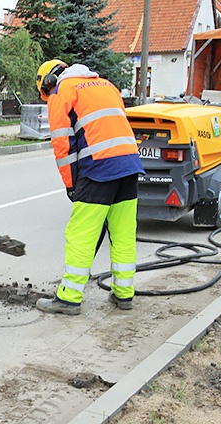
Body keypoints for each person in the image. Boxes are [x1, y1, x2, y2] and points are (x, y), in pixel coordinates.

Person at [33, 59, 145, 316]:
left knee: (81, 233)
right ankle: (124, 293)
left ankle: (69, 298)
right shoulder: (106, 85)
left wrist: (72, 185)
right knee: (123, 232)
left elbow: (63, 147)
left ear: (48, 82)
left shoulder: (62, 92)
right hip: (129, 164)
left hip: (99, 168)